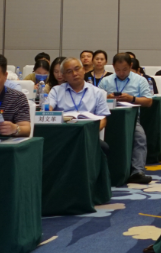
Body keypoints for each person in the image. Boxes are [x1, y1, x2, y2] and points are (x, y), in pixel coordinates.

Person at [98, 53, 154, 184]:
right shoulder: (106, 81)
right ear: (113, 67)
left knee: (140, 138)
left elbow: (149, 102)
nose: (121, 73)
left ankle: (137, 172)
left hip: (131, 119)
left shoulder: (140, 80)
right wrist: (107, 97)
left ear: (130, 66)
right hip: (107, 117)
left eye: (125, 69)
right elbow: (95, 99)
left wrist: (132, 99)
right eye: (118, 70)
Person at [49, 57, 109, 122]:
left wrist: (93, 129)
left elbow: (103, 118)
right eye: (69, 71)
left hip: (88, 127)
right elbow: (47, 108)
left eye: (77, 69)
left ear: (83, 70)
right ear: (64, 76)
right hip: (64, 127)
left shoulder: (97, 92)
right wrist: (48, 110)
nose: (74, 74)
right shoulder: (56, 91)